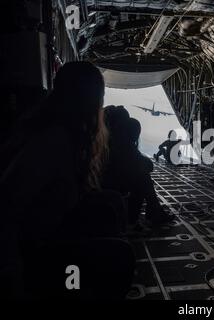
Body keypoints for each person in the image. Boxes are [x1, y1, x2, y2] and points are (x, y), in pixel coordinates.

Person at [0, 62, 134, 299]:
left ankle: (81, 280)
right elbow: (7, 208)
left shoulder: (62, 133)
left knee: (110, 202)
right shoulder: (53, 141)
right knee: (121, 255)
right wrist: (13, 274)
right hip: (32, 250)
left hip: (47, 230)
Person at [103, 107, 174, 229]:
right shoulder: (117, 144)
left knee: (142, 176)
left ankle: (152, 212)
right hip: (110, 197)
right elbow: (147, 165)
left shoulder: (106, 140)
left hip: (107, 193)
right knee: (143, 178)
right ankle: (151, 214)